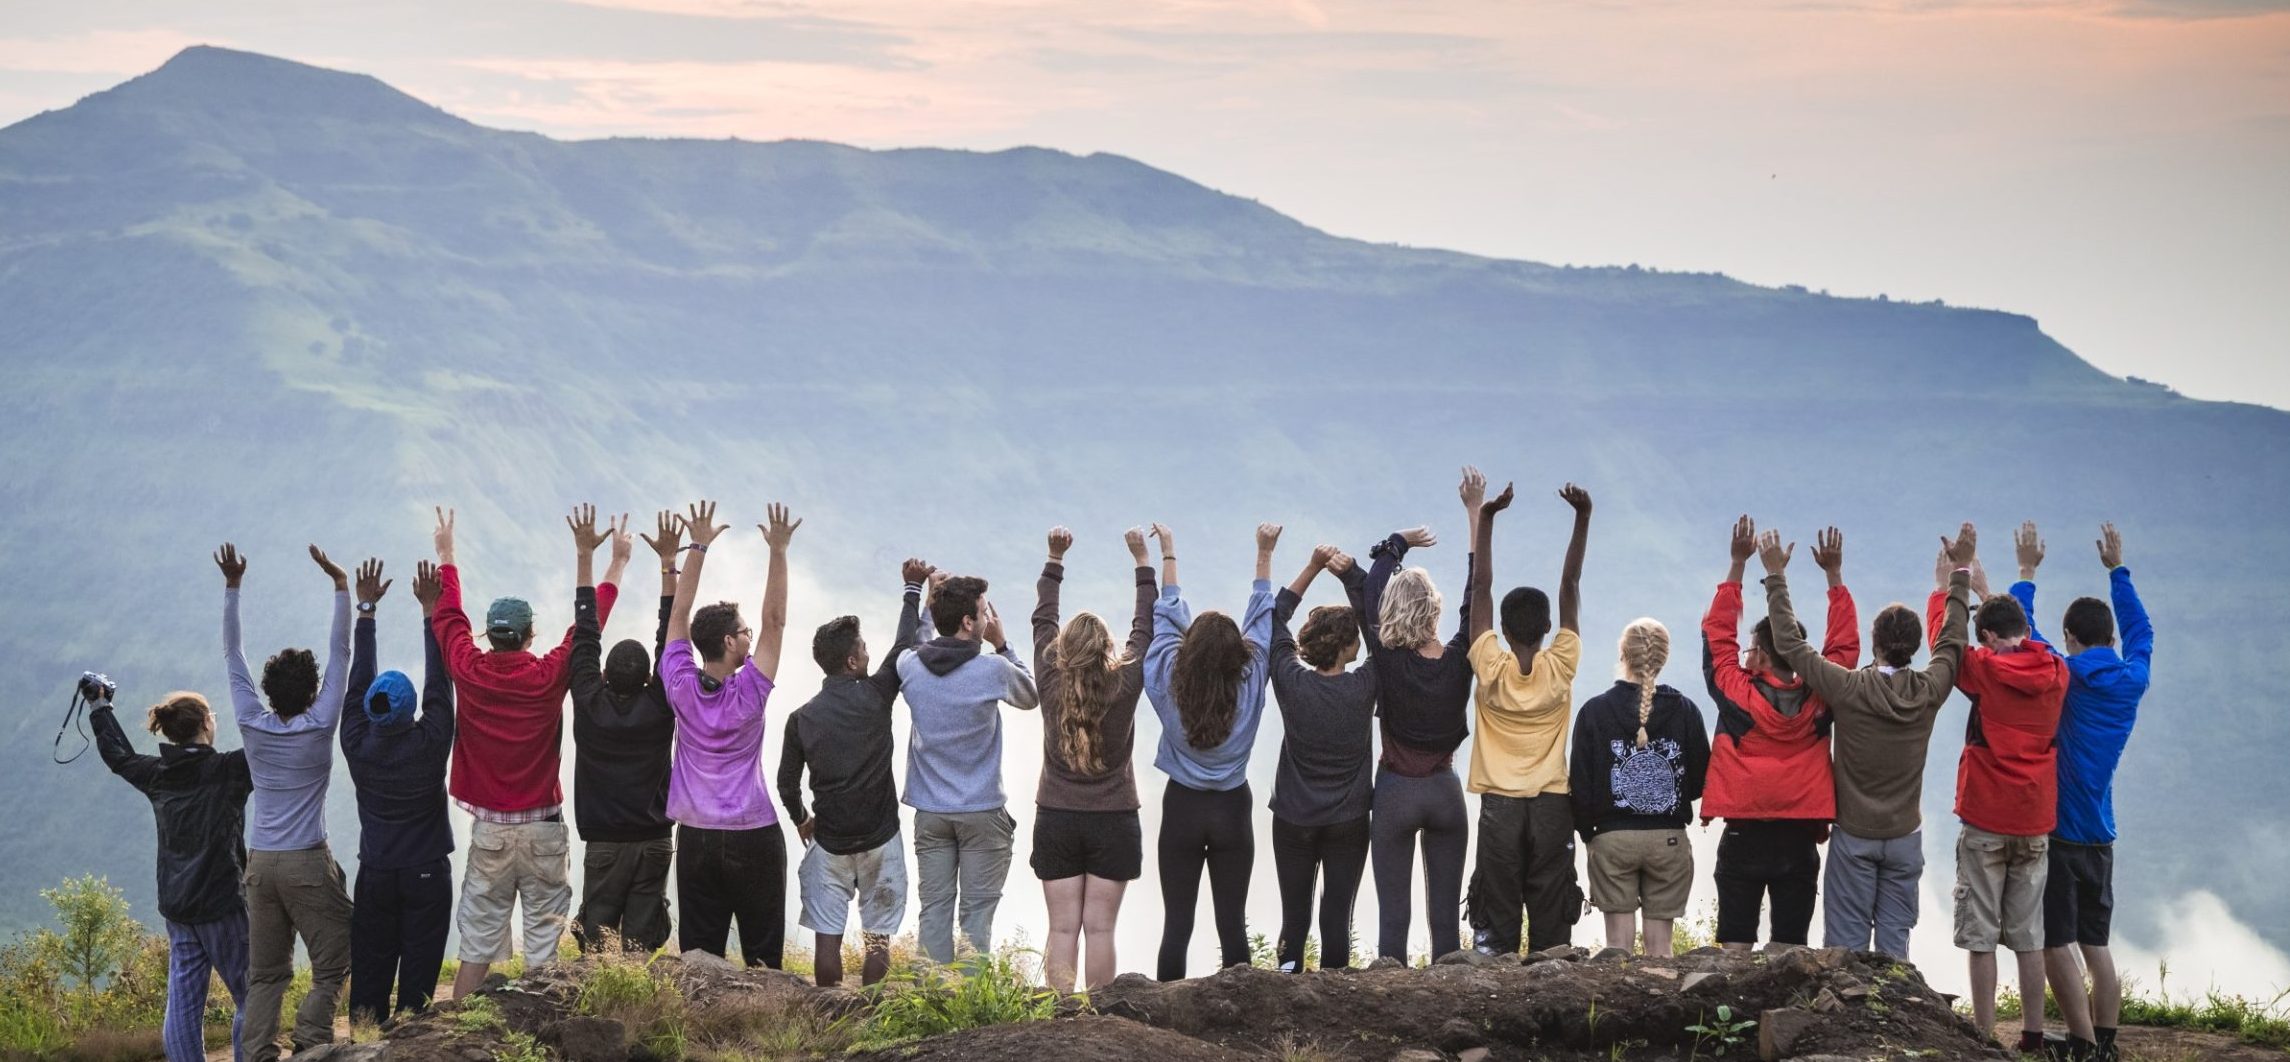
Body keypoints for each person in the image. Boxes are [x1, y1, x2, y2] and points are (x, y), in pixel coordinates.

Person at [431, 505, 625, 998]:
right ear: (529, 635)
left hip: (491, 831)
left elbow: (448, 616)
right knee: (544, 954)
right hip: (542, 828)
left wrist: (446, 554)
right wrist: (611, 564)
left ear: (488, 636)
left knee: (475, 947)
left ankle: (455, 1044)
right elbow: (586, 631)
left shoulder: (468, 669)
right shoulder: (546, 676)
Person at [1758, 526, 1971, 959]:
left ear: (1873, 643)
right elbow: (1952, 641)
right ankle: (1895, 1021)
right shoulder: (1929, 691)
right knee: (1895, 948)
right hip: (1905, 834)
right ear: (1915, 647)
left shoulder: (1847, 689)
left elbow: (1791, 646)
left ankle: (1847, 1022)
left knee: (1845, 949)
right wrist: (1959, 573)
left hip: (1854, 833)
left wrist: (1779, 576)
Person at [217, 541, 354, 1061]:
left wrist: (233, 587)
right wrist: (341, 588)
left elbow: (233, 656)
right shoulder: (321, 725)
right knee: (333, 958)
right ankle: (313, 1040)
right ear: (314, 690)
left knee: (266, 973)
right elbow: (342, 653)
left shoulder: (252, 723)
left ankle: (255, 1055)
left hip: (260, 865)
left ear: (269, 691)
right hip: (306, 863)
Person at [2023, 522, 2151, 1062]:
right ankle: (2106, 1045)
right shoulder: (2132, 678)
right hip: (2102, 834)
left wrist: (2026, 573)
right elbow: (2143, 632)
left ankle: (2078, 1043)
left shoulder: (2063, 673)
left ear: (2070, 638)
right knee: (2097, 945)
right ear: (2112, 639)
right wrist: (2118, 570)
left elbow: (2024, 635)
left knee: (2056, 942)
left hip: (2060, 832)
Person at [1699, 518, 1856, 952]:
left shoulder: (1736, 692)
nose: (1745, 654)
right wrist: (1834, 577)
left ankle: (1732, 1021)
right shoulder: (1824, 696)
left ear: (1763, 654)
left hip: (1743, 833)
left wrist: (1737, 564)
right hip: (1798, 836)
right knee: (1790, 947)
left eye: (1751, 648)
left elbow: (1717, 636)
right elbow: (1843, 650)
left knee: (1733, 944)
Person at [776, 557, 931, 987]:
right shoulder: (878, 695)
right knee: (877, 940)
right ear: (851, 661)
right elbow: (903, 646)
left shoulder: (801, 718)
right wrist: (912, 590)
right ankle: (872, 1021)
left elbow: (785, 783)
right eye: (863, 648)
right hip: (881, 837)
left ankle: (829, 1020)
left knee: (828, 941)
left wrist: (801, 818)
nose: (868, 652)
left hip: (830, 843)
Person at [1350, 469, 1482, 962]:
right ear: (1436, 610)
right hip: (1445, 792)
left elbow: (1373, 592)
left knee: (1393, 920)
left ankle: (1390, 1019)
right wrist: (1475, 515)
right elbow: (1478, 595)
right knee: (1445, 920)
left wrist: (1398, 543)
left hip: (1395, 793)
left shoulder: (1386, 656)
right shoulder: (1459, 656)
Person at [662, 500, 797, 968]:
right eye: (743, 632)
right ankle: (766, 1033)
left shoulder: (679, 684)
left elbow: (678, 616)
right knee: (763, 957)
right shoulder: (750, 693)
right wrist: (778, 551)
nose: (749, 636)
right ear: (728, 643)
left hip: (696, 835)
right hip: (753, 832)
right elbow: (776, 621)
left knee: (700, 957)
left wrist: (696, 547)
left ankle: (699, 1033)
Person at [1465, 477, 1593, 957]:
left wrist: (1487, 519)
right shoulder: (1561, 665)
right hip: (1551, 804)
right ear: (1547, 628)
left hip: (1499, 807)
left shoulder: (1489, 667)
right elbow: (1570, 585)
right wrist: (1582, 518)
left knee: (1496, 927)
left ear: (1499, 628)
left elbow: (1481, 584)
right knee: (1551, 928)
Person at [1144, 522, 1279, 980]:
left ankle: (1163, 1025)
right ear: (1237, 655)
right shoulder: (1254, 676)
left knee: (1176, 925)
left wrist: (1167, 550)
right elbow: (1263, 616)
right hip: (1231, 810)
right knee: (1231, 924)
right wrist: (1264, 553)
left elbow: (1165, 617)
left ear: (1188, 653)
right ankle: (1240, 1025)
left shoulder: (1164, 677)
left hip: (1181, 806)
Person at [92, 680, 253, 1062]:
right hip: (222, 904)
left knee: (183, 1004)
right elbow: (271, 745)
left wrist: (99, 707)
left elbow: (119, 757)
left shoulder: (158, 774)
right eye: (211, 715)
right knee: (253, 994)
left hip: (177, 906)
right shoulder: (228, 769)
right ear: (205, 725)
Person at [1030, 526, 1156, 993]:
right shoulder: (1125, 683)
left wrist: (1054, 558)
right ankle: (1099, 1020)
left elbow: (1043, 619)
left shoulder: (1048, 678)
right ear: (1108, 648)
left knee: (1063, 928)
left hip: (1058, 817)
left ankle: (1060, 1017)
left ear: (1061, 650)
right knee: (1101, 928)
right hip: (1114, 818)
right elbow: (1146, 627)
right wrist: (1143, 560)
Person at [899, 561, 1040, 965]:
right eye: (982, 613)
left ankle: (928, 999)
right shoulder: (993, 670)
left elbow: (920, 643)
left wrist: (929, 606)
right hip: (981, 810)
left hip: (930, 811)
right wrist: (1003, 643)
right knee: (976, 920)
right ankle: (969, 1011)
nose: (986, 618)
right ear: (967, 622)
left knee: (934, 911)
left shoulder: (910, 668)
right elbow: (1030, 695)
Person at [340, 560, 457, 1024]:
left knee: (370, 966)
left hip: (376, 871)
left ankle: (363, 1045)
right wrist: (431, 613)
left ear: (368, 709)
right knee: (421, 968)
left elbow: (356, 683)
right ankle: (411, 1044)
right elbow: (439, 685)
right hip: (427, 869)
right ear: (412, 711)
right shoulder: (430, 743)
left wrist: (365, 611)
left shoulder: (355, 741)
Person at [568, 511, 683, 954]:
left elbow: (585, 634)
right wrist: (668, 565)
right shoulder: (661, 704)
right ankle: (635, 1013)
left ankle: (599, 1014)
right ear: (649, 678)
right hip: (653, 839)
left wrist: (584, 557)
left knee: (597, 945)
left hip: (604, 844)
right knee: (640, 946)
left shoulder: (589, 703)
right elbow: (668, 639)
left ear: (602, 674)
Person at [1569, 617, 1710, 955]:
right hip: (1668, 838)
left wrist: (1590, 835)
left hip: (1611, 838)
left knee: (1617, 947)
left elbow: (1580, 785)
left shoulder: (1594, 711)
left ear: (1623, 654)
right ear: (1663, 658)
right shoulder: (1686, 710)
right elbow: (1700, 779)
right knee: (1661, 949)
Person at [1266, 543, 1376, 972]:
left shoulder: (1291, 680)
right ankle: (1333, 992)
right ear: (1351, 646)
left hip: (1292, 818)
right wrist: (1351, 577)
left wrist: (1311, 566)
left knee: (1294, 916)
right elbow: (1379, 630)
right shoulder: (1366, 685)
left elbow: (1274, 616)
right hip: (1348, 820)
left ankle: (1285, 978)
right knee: (1336, 916)